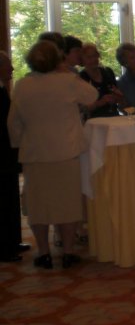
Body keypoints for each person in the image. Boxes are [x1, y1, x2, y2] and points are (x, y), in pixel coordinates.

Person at [8, 40, 98, 269]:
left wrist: (18, 143)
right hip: (66, 151)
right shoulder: (68, 81)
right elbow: (92, 95)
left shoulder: (22, 85)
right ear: (57, 60)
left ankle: (44, 252)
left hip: (35, 152)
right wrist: (66, 72)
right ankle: (68, 251)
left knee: (38, 206)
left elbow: (14, 123)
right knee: (67, 204)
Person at [0, 51, 30, 262]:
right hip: (2, 152)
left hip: (7, 152)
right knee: (3, 199)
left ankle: (13, 241)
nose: (11, 68)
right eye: (7, 65)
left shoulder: (3, 87)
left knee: (11, 197)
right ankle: (5, 247)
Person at [79, 43, 122, 118]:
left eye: (95, 55)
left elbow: (119, 97)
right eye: (89, 57)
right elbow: (81, 109)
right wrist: (101, 102)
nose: (93, 59)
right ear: (82, 60)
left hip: (113, 117)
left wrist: (117, 97)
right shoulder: (81, 78)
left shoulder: (108, 72)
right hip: (93, 121)